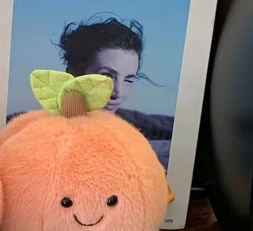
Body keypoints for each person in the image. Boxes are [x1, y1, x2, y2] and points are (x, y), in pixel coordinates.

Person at [56, 16, 173, 169]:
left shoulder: (133, 146)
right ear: (73, 74)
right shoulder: (45, 139)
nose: (118, 92)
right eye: (106, 76)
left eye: (128, 80)